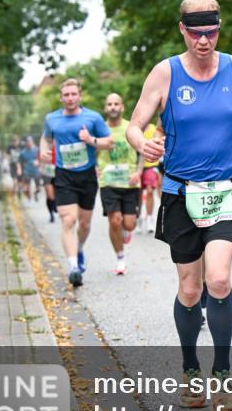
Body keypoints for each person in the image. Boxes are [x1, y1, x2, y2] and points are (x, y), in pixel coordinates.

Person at [126, 0, 232, 411]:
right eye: (196, 33)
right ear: (182, 30)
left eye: (212, 33)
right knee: (189, 289)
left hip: (225, 190)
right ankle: (190, 369)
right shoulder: (165, 74)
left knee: (218, 281)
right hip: (180, 192)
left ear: (219, 29)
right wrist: (143, 144)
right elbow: (134, 124)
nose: (204, 41)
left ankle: (222, 374)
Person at [40, 78, 113, 288]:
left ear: (80, 96)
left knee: (84, 223)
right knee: (68, 220)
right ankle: (73, 267)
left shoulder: (93, 118)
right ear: (61, 97)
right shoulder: (51, 119)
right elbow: (45, 138)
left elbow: (109, 142)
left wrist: (91, 140)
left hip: (87, 175)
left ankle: (79, 249)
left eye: (74, 94)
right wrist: (43, 151)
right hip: (64, 175)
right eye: (66, 95)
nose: (70, 98)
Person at [98, 94, 143, 276]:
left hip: (129, 183)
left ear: (122, 107)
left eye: (116, 104)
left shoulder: (130, 128)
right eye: (109, 104)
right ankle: (120, 258)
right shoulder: (100, 129)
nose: (113, 107)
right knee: (115, 220)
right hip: (108, 182)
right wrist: (95, 168)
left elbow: (142, 151)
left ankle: (126, 231)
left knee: (129, 224)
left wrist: (138, 172)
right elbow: (92, 150)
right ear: (105, 108)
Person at [140, 120, 162, 233]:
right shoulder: (135, 129)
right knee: (138, 194)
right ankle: (138, 217)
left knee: (149, 191)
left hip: (151, 164)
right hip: (136, 165)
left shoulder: (154, 129)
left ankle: (149, 218)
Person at [19, 136, 40, 202]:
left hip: (36, 170)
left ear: (32, 142)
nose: (28, 143)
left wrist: (38, 162)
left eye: (30, 141)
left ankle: (36, 193)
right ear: (26, 143)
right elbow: (19, 161)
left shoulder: (37, 150)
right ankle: (29, 198)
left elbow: (42, 158)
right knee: (26, 188)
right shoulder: (23, 152)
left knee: (38, 188)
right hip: (27, 171)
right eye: (27, 142)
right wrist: (19, 169)